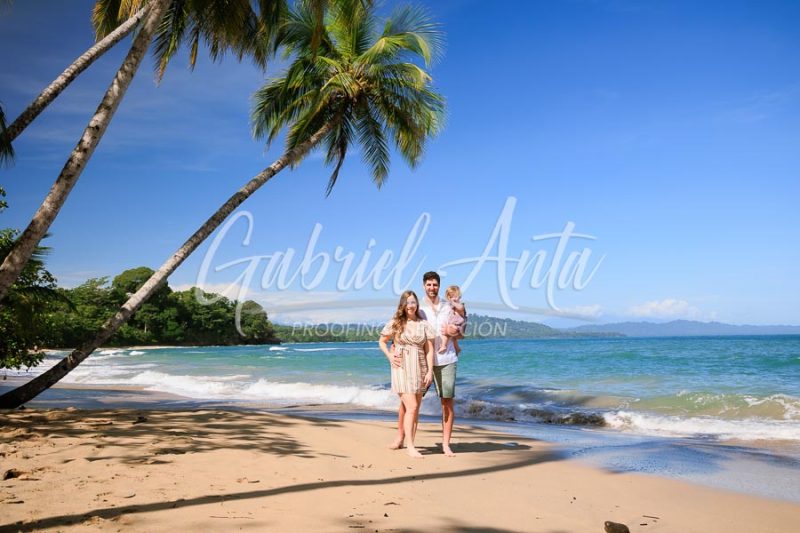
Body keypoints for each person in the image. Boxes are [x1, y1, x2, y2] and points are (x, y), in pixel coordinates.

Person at [378, 290, 435, 458]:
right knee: (412, 407)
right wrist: (389, 356)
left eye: (414, 302)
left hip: (420, 366)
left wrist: (430, 371)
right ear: (403, 305)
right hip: (401, 366)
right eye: (408, 302)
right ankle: (410, 447)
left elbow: (429, 350)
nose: (411, 305)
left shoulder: (424, 324)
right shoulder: (396, 323)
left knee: (415, 409)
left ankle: (407, 441)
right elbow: (382, 341)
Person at [438, 285, 467, 355]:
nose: (452, 299)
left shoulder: (460, 306)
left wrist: (454, 303)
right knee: (453, 338)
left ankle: (443, 345)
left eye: (455, 296)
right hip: (455, 326)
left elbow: (461, 308)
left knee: (446, 334)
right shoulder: (450, 306)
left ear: (459, 296)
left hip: (458, 326)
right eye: (450, 297)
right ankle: (457, 348)